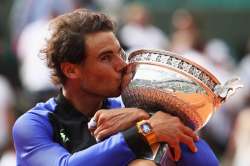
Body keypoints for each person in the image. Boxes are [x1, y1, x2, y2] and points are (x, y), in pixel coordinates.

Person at [13, 8, 219, 166]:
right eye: (105, 58)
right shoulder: (33, 124)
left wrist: (145, 118)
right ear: (71, 70)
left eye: (120, 53)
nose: (122, 64)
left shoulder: (135, 114)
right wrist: (146, 131)